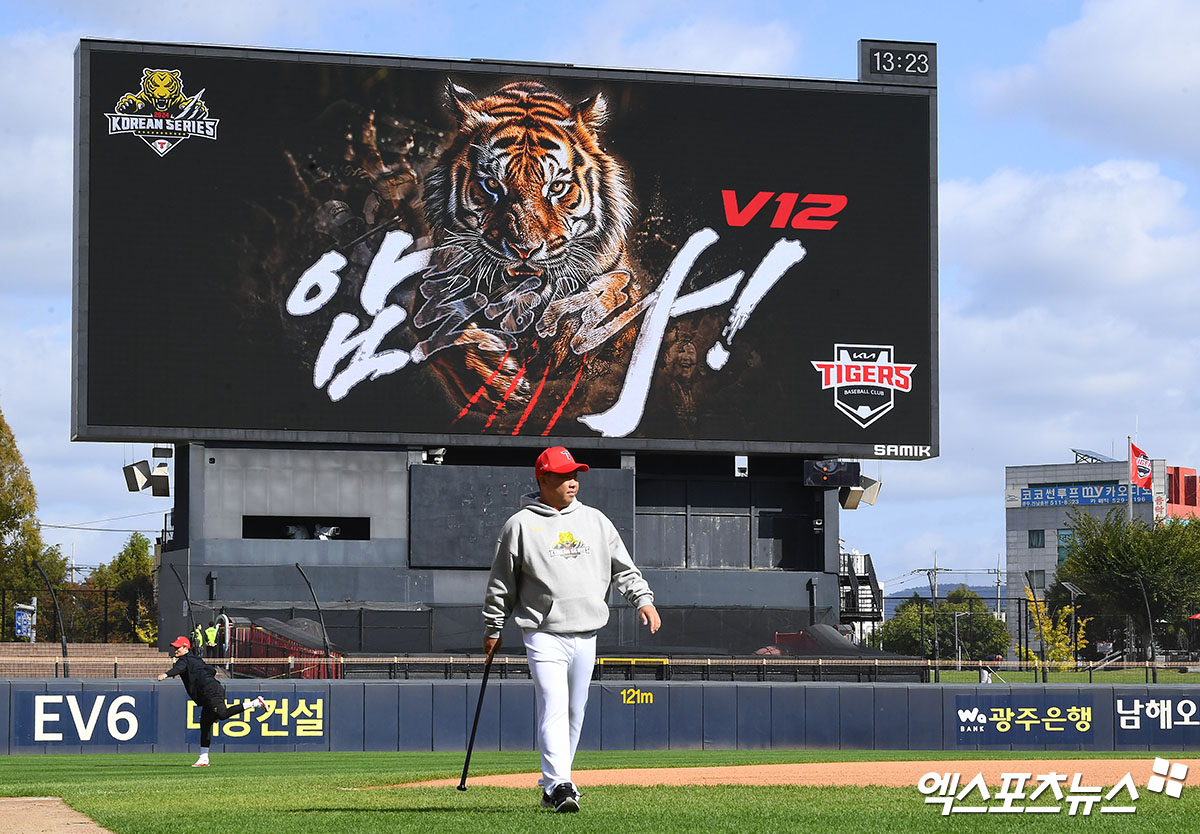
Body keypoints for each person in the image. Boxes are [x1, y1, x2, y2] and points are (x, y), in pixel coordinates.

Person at [483, 446, 661, 813]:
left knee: (575, 712)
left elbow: (623, 569)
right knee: (552, 705)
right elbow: (501, 584)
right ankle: (560, 784)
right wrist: (493, 627)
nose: (573, 482)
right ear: (543, 479)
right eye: (564, 476)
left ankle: (555, 787)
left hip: (586, 632)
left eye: (575, 474)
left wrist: (642, 599)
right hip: (543, 632)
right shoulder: (519, 525)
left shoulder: (595, 520)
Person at [157, 635, 265, 767]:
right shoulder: (197, 659)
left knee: (222, 714)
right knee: (205, 724)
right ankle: (203, 758)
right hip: (210, 690)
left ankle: (256, 703)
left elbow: (178, 669)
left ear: (185, 648)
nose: (175, 649)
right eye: (174, 647)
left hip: (209, 691)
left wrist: (166, 674)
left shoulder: (183, 660)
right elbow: (212, 670)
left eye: (177, 647)